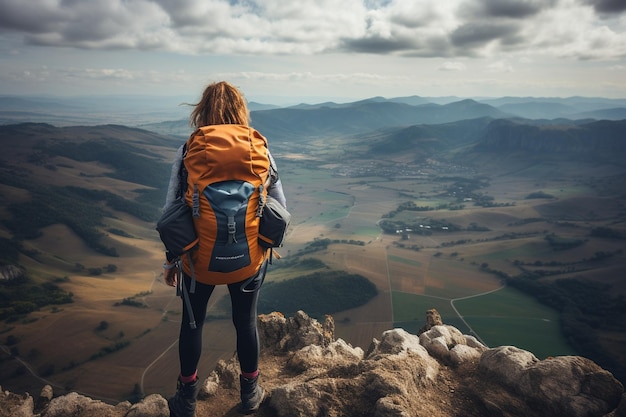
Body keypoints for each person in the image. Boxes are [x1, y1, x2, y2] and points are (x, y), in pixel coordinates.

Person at [162, 81, 287, 417]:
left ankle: (186, 401)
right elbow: (279, 204)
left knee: (192, 323)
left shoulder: (190, 149)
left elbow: (171, 209)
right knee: (245, 322)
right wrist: (266, 246)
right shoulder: (259, 148)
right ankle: (250, 394)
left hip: (196, 260)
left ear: (202, 111)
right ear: (240, 110)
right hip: (248, 260)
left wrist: (171, 260)